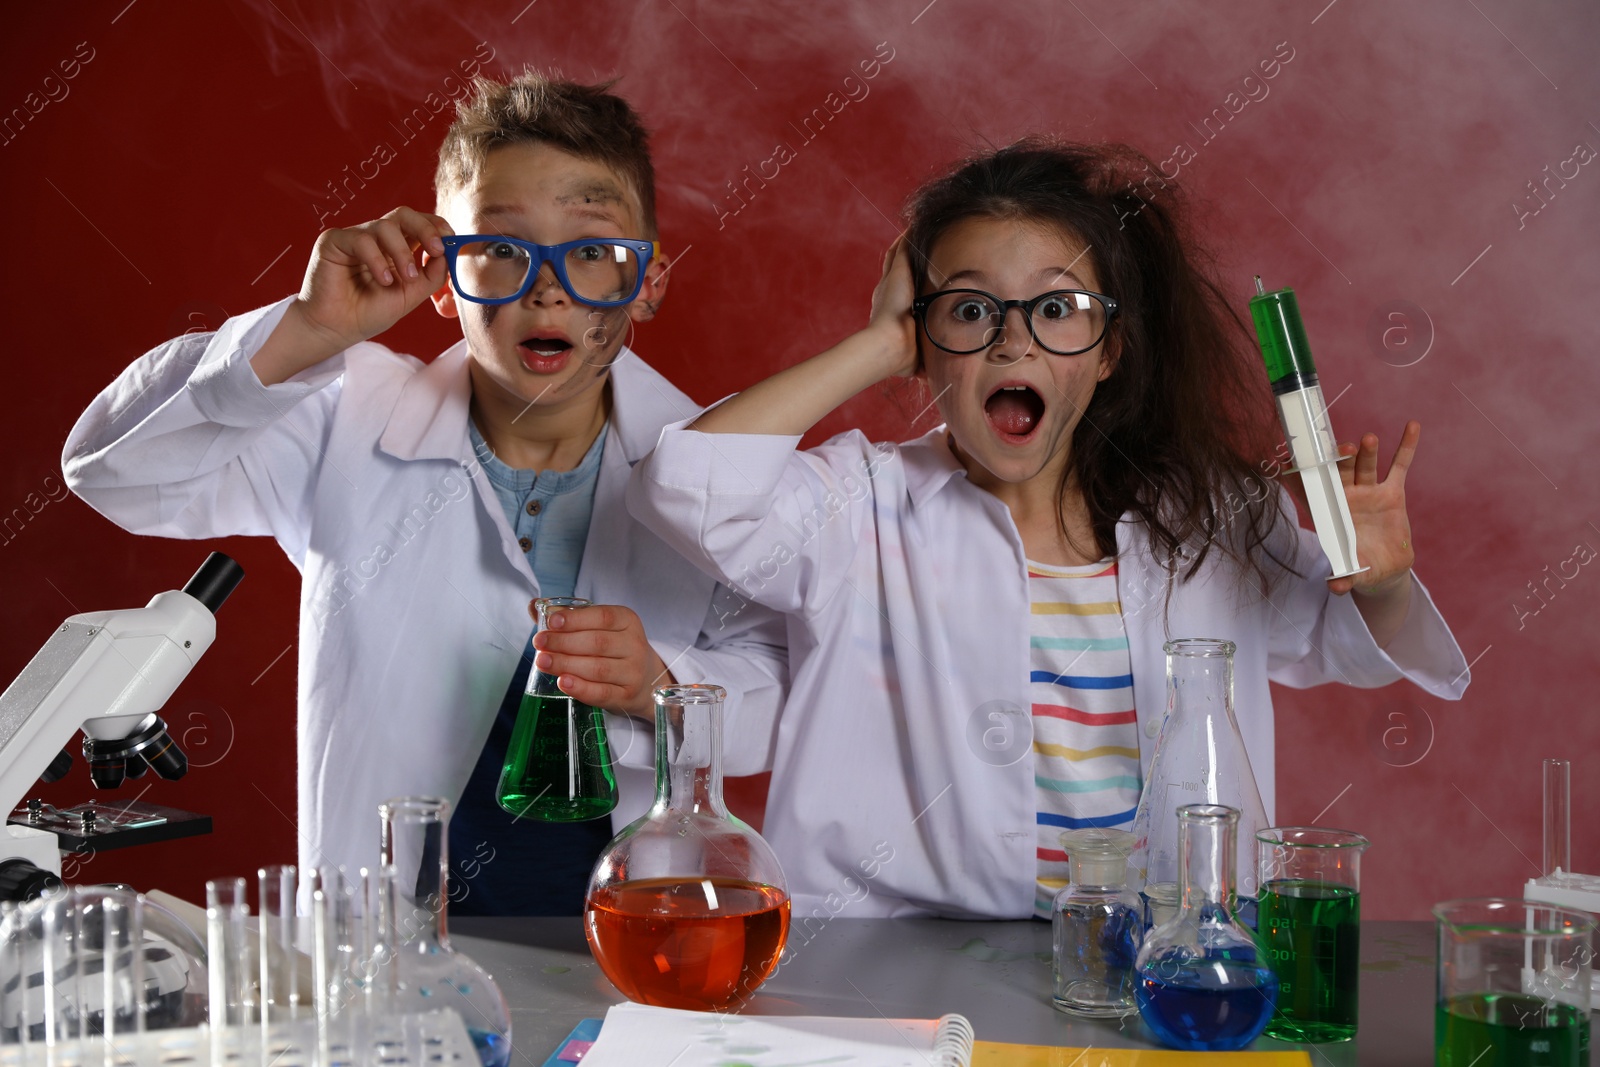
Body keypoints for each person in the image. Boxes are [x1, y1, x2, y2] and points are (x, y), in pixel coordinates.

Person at [626, 139, 1470, 920]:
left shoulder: (1213, 514)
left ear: (1109, 351)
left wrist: (1383, 578)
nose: (1011, 340)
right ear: (927, 344)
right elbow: (690, 489)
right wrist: (879, 343)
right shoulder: (862, 504)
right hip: (896, 966)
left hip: (1162, 958)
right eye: (967, 310)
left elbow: (1347, 639)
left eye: (1057, 308)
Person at [62, 72, 785, 915]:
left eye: (591, 250)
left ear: (647, 282)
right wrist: (308, 332)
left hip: (635, 931)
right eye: (503, 250)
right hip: (386, 947)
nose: (546, 288)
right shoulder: (346, 416)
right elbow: (115, 471)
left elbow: (780, 689)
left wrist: (665, 684)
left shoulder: (717, 464)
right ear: (444, 282)